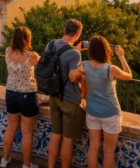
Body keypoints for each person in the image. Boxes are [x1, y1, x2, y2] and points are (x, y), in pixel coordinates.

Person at [79, 37, 133, 168]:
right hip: (110, 113)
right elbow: (129, 75)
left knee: (93, 148)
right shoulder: (111, 69)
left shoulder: (83, 65)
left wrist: (81, 49)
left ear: (90, 50)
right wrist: (121, 56)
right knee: (108, 152)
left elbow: (78, 72)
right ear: (106, 51)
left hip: (92, 111)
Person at [47, 19, 85, 168]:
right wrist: (81, 71)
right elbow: (73, 77)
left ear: (64, 29)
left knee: (55, 135)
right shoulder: (74, 54)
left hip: (53, 96)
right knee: (68, 140)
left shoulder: (50, 45)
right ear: (78, 34)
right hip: (70, 100)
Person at [1, 27, 40, 168]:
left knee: (11, 127)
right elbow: (45, 66)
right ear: (27, 39)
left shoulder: (7, 51)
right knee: (27, 132)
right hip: (27, 95)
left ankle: (4, 160)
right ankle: (26, 165)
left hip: (11, 93)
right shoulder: (32, 56)